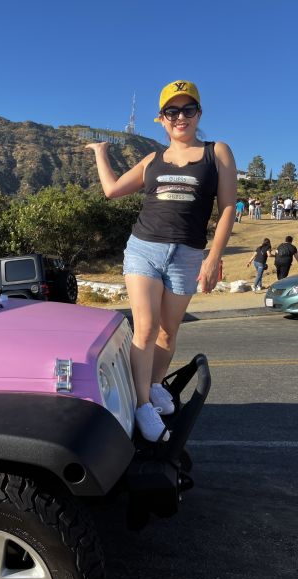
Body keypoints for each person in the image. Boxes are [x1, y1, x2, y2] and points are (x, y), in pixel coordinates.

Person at [86, 79, 237, 442]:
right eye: (172, 111)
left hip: (187, 253)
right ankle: (142, 407)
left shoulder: (217, 152)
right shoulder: (152, 159)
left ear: (198, 113)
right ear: (162, 119)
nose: (180, 117)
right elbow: (111, 190)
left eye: (188, 110)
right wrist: (100, 153)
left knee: (169, 332)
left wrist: (213, 256)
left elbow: (228, 206)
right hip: (144, 248)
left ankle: (154, 384)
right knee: (147, 328)